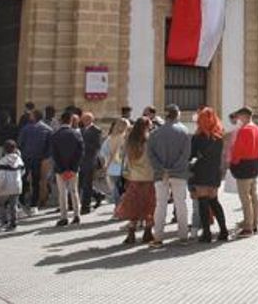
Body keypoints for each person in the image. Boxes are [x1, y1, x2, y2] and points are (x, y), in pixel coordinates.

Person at [146, 105, 193, 246]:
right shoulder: (184, 131)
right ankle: (183, 236)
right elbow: (185, 155)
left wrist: (163, 169)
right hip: (179, 173)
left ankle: (158, 237)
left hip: (161, 174)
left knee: (160, 205)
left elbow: (151, 155)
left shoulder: (155, 133)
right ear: (177, 114)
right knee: (181, 204)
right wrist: (173, 169)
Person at [189, 107, 230, 242]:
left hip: (201, 172)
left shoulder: (197, 138)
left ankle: (206, 233)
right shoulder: (218, 138)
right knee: (214, 202)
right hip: (214, 172)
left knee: (203, 203)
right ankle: (223, 230)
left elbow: (192, 156)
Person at [114, 116, 156, 244]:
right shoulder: (149, 141)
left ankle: (131, 233)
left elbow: (120, 157)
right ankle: (147, 233)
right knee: (149, 205)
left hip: (133, 177)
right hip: (148, 177)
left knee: (134, 205)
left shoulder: (129, 141)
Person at [228, 107, 258, 236]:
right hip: (255, 164)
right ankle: (254, 223)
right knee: (253, 195)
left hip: (244, 165)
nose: (238, 119)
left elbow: (238, 150)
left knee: (245, 197)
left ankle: (248, 227)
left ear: (244, 116)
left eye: (239, 116)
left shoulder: (244, 130)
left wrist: (233, 163)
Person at [49, 110, 84, 228]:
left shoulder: (55, 135)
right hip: (73, 169)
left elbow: (55, 155)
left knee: (62, 192)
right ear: (71, 120)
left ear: (60, 121)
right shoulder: (77, 134)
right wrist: (73, 168)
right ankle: (77, 215)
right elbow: (80, 153)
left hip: (60, 169)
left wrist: (63, 169)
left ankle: (63, 217)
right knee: (74, 191)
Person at [16, 110, 52, 211]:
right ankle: (34, 204)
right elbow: (50, 146)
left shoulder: (26, 128)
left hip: (26, 157)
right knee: (36, 181)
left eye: (31, 115)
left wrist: (22, 152)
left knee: (22, 179)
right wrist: (45, 156)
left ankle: (21, 201)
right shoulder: (47, 129)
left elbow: (20, 142)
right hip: (39, 158)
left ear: (34, 117)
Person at [0, 139, 25, 232]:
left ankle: (4, 221)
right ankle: (13, 223)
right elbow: (23, 171)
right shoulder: (19, 160)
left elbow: (1, 175)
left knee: (1, 204)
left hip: (5, 186)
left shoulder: (3, 161)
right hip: (16, 185)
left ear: (4, 150)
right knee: (13, 205)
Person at [78, 111, 104, 213]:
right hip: (81, 161)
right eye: (83, 119)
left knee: (87, 184)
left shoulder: (96, 130)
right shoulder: (81, 130)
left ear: (91, 120)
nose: (84, 121)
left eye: (86, 119)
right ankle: (98, 195)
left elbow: (97, 146)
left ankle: (86, 206)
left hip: (90, 160)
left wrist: (84, 146)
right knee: (81, 184)